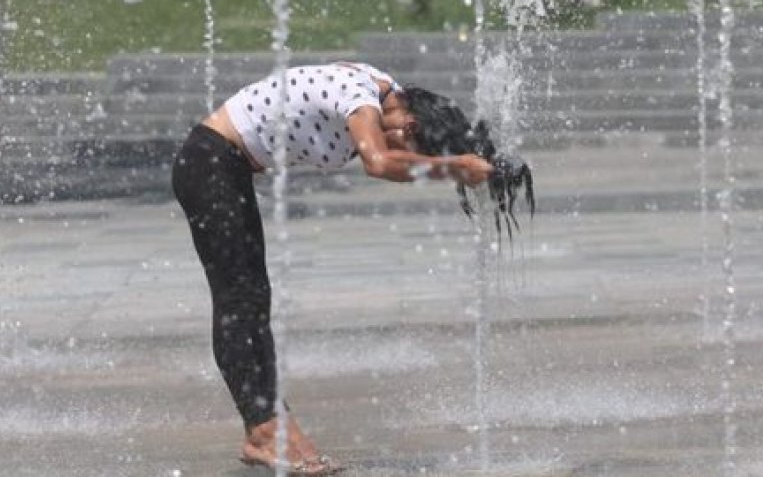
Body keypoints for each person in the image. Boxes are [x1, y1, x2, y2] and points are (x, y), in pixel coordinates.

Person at [171, 61, 534, 473]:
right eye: (407, 137)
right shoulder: (362, 98)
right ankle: (265, 432)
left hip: (224, 167)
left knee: (252, 299)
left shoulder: (383, 89)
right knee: (241, 299)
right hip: (210, 163)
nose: (399, 144)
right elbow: (378, 163)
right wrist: (456, 169)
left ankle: (267, 428)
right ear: (409, 119)